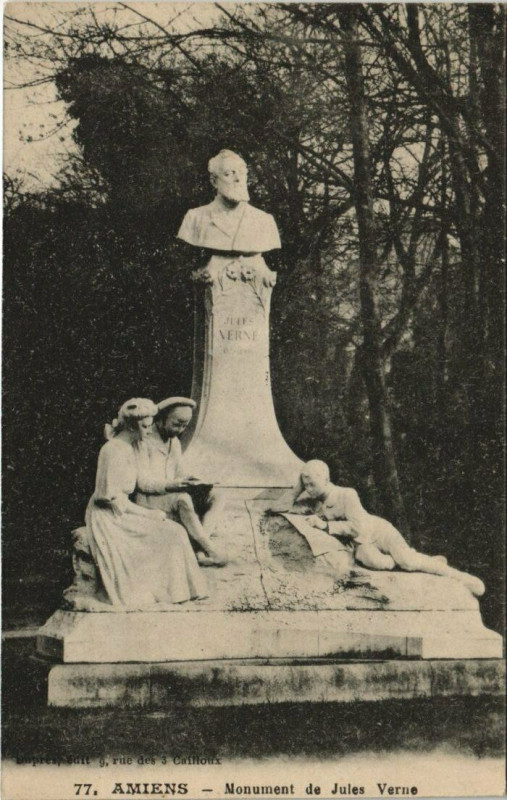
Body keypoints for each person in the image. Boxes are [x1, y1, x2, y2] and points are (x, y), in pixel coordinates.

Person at [270, 460, 485, 597]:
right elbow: (281, 505)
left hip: (377, 531)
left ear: (326, 479)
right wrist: (299, 486)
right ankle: (426, 560)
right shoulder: (312, 501)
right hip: (360, 544)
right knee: (377, 563)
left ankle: (460, 577)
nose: (309, 489)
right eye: (305, 485)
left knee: (407, 562)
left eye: (312, 484)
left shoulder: (347, 494)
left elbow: (356, 527)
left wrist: (326, 526)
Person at [85, 398, 207, 608]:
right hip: (111, 518)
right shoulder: (113, 450)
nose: (149, 431)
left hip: (124, 512)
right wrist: (147, 515)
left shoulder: (132, 448)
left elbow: (139, 482)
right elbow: (108, 498)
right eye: (145, 426)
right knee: (172, 532)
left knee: (174, 531)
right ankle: (172, 595)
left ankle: (183, 595)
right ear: (132, 425)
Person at [133, 397, 227, 567]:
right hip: (148, 498)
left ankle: (199, 548)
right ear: (161, 419)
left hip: (169, 494)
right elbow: (141, 482)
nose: (181, 430)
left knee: (217, 496)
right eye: (177, 424)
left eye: (184, 426)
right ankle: (211, 550)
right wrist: (171, 485)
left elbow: (179, 472)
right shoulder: (144, 439)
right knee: (182, 499)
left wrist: (194, 481)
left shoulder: (174, 442)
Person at [177, 149, 281, 254]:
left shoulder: (265, 221)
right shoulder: (195, 218)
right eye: (228, 174)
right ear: (214, 181)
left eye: (241, 173)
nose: (238, 179)